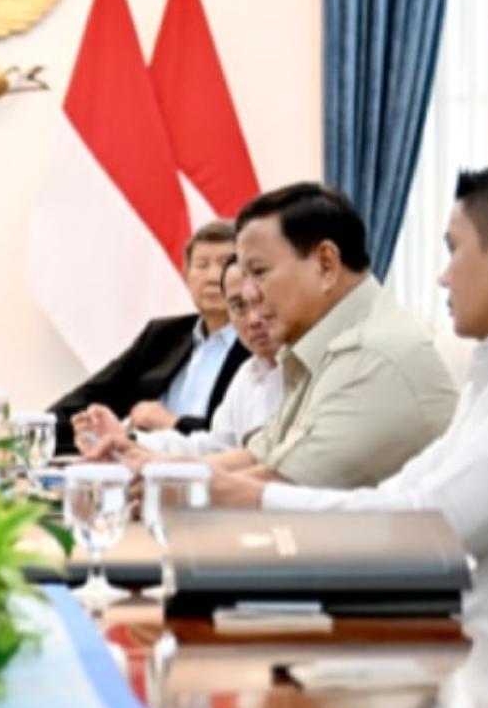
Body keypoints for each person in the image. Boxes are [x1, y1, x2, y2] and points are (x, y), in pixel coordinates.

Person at [209, 160, 488, 650]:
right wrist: (248, 499)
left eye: (454, 250)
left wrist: (254, 500)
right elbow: (406, 492)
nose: (443, 277)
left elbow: (431, 525)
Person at [153, 183, 456, 490]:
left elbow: (281, 489)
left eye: (259, 272)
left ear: (326, 264)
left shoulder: (371, 353)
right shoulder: (317, 347)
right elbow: (261, 456)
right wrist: (149, 467)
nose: (249, 294)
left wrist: (155, 484)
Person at [48, 220, 250, 453]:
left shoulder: (258, 344)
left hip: (214, 466)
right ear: (185, 275)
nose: (213, 277)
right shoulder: (163, 335)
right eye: (201, 265)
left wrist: (172, 422)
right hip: (137, 460)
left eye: (225, 264)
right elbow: (93, 395)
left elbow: (241, 438)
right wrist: (34, 428)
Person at [93, 257, 284, 459]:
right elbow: (214, 446)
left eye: (262, 301)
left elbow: (263, 463)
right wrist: (126, 439)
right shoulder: (249, 373)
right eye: (239, 306)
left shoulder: (305, 367)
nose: (253, 319)